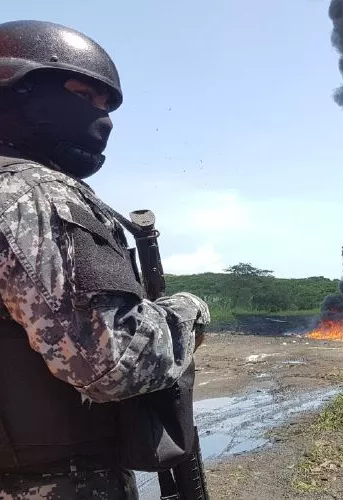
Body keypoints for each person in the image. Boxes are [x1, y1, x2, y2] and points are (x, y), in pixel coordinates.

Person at [0, 20, 210, 499]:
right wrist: (187, 313)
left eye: (106, 104)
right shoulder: (37, 194)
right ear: (19, 91)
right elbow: (112, 362)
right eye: (84, 95)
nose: (104, 118)